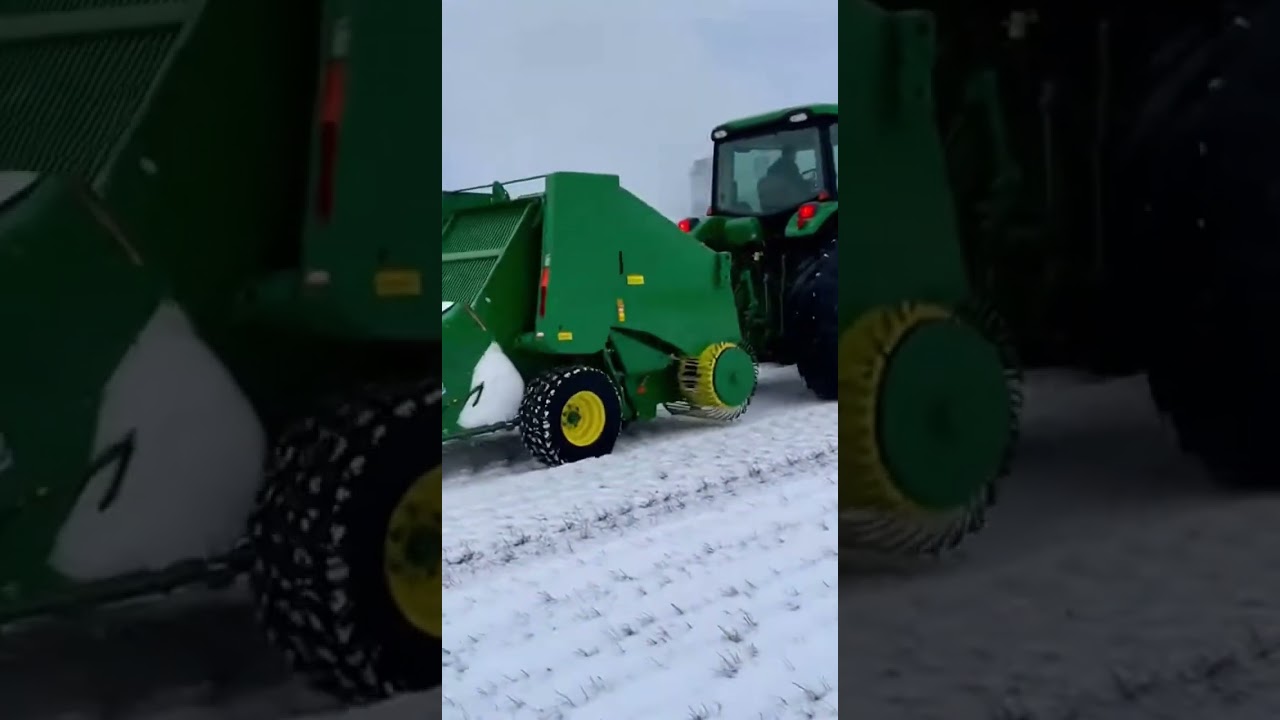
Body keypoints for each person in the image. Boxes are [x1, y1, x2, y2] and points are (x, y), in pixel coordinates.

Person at [756, 144, 813, 213]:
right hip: (790, 205)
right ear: (790, 154)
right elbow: (797, 182)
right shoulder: (791, 166)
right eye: (794, 154)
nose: (795, 157)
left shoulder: (773, 168)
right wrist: (809, 183)